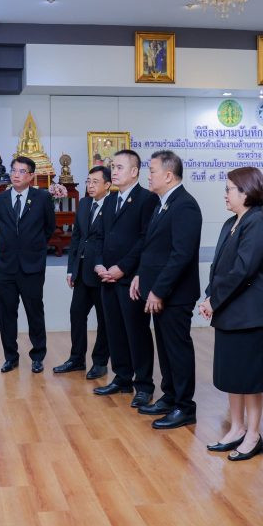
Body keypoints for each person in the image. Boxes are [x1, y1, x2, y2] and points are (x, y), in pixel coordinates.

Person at [201, 167, 263, 460]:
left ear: (246, 192)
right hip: (230, 311)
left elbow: (243, 271)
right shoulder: (232, 222)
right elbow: (220, 267)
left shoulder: (258, 222)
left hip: (249, 314)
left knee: (250, 378)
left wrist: (215, 301)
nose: (225, 194)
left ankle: (253, 435)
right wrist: (210, 295)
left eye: (229, 189)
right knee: (233, 375)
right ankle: (237, 428)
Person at [129, 151, 202, 429]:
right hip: (160, 291)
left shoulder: (185, 206)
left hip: (175, 295)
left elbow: (180, 255)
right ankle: (170, 396)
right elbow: (153, 249)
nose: (148, 176)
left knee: (177, 350)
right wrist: (140, 276)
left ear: (169, 175)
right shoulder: (163, 203)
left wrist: (158, 291)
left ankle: (185, 406)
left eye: (152, 171)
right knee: (166, 349)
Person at [93, 150, 158, 406]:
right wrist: (99, 264)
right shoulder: (109, 200)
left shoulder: (146, 199)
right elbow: (99, 235)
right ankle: (122, 377)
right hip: (107, 278)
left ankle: (143, 384)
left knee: (136, 332)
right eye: (113, 167)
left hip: (131, 280)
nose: (114, 172)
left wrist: (123, 267)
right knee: (114, 330)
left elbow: (145, 240)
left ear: (134, 171)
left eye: (119, 167)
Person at [0, 156, 56, 373]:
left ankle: (38, 356)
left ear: (31, 176)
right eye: (14, 170)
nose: (16, 175)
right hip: (5, 267)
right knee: (6, 314)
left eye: (21, 171)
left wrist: (33, 247)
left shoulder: (42, 198)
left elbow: (49, 228)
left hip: (32, 267)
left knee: (35, 313)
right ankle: (10, 357)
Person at [56, 166, 112, 378]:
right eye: (88, 181)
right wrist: (71, 269)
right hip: (81, 272)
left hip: (101, 273)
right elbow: (77, 237)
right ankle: (76, 359)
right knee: (76, 315)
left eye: (95, 182)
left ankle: (100, 362)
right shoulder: (85, 204)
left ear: (108, 185)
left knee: (104, 320)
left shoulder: (113, 206)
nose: (90, 186)